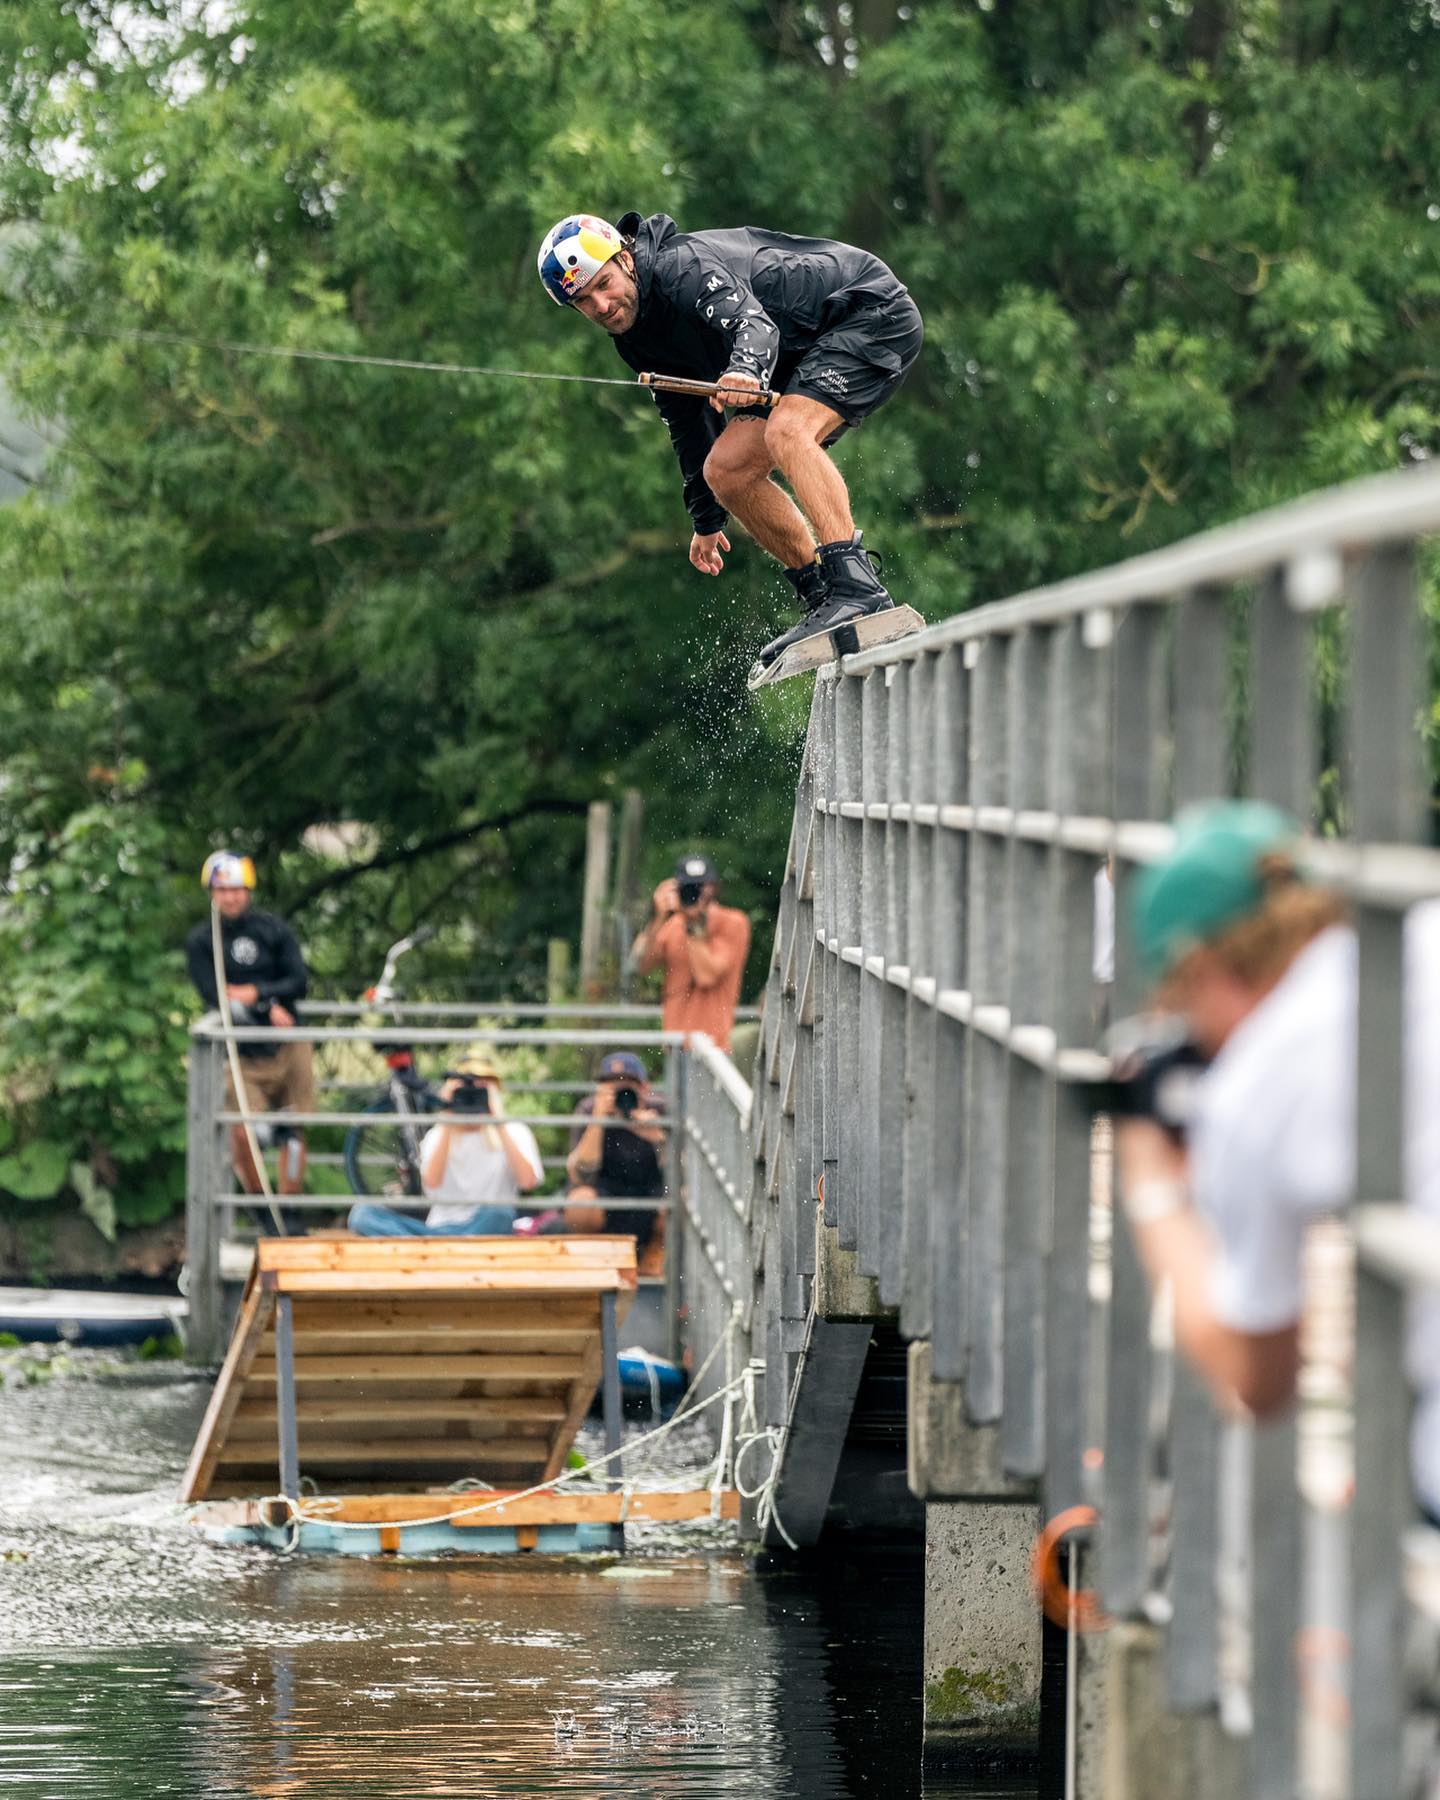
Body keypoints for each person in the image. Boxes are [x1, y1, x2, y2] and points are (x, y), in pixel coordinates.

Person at [1114, 801, 1440, 1523]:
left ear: (1197, 966)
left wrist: (1153, 1186)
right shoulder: (1424, 928)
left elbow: (1259, 1381)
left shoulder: (1255, 1086)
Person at [536, 211, 923, 669]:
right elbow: (686, 420)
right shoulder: (634, 336)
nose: (601, 305)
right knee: (726, 471)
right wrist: (705, 519)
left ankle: (858, 587)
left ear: (626, 260)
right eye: (584, 301)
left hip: (868, 313)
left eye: (604, 284)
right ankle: (823, 596)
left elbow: (755, 327)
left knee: (787, 430)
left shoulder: (681, 268)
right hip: (799, 355)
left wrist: (744, 368)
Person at [185, 852, 313, 1196]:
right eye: (223, 890)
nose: (231, 897)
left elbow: (299, 981)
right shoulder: (201, 941)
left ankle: (289, 1206)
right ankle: (260, 1206)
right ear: (212, 892)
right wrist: (265, 1006)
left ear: (249, 890)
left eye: (238, 889)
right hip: (241, 1053)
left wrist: (258, 993)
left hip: (287, 1043)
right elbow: (216, 996)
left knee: (295, 1126)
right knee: (243, 1131)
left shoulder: (273, 929)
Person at [348, 1051, 543, 1237]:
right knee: (362, 1213)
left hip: (486, 1226)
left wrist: (497, 1120)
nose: (471, 1093)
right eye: (466, 1087)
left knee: (500, 1214)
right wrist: (447, 1111)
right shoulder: (438, 1134)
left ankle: (422, 1244)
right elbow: (431, 1183)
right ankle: (443, 1244)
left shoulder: (514, 1131)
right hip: (442, 1227)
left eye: (480, 1086)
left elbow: (527, 1182)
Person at [631, 852, 751, 1053]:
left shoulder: (733, 923)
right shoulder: (673, 924)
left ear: (715, 888)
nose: (697, 894)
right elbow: (640, 966)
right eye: (690, 888)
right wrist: (657, 917)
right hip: (676, 1044)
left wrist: (693, 926)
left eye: (703, 886)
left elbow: (706, 975)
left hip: (714, 1048)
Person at [561, 1051, 668, 1274]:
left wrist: (658, 1139)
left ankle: (655, 1258)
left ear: (644, 1088)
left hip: (651, 1199)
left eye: (627, 1086)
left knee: (680, 1200)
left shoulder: (661, 1110)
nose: (621, 1094)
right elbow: (580, 1176)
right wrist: (598, 1122)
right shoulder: (589, 1109)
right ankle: (594, 1264)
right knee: (580, 1203)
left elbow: (683, 1174)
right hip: (605, 1198)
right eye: (612, 1087)